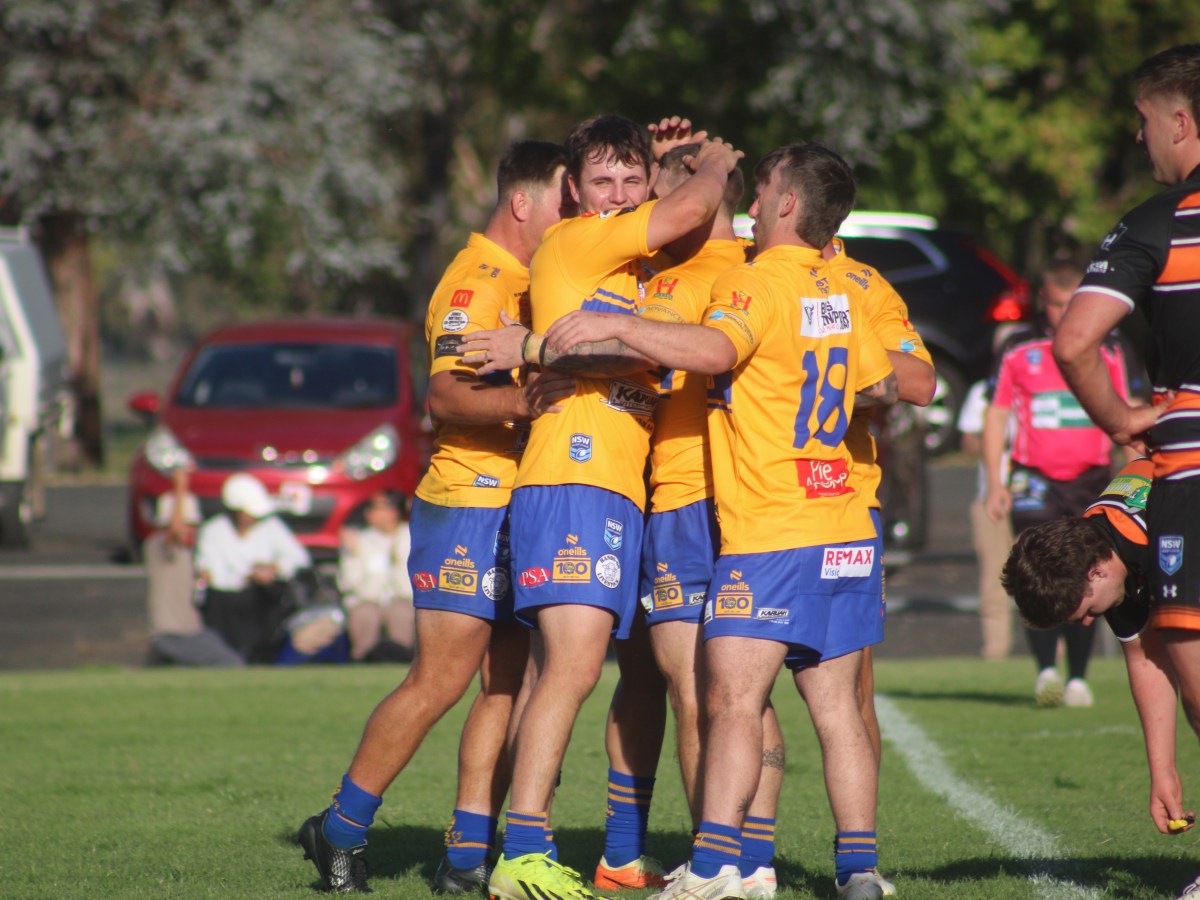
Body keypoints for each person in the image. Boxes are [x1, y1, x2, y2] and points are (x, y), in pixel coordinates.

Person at [538, 142, 897, 900]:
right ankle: (860, 872)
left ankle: (711, 872)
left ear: (789, 205)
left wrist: (625, 327)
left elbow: (709, 347)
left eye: (762, 191)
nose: (752, 203)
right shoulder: (837, 288)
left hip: (768, 525)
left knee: (730, 702)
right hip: (842, 516)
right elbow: (887, 384)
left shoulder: (753, 282)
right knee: (836, 710)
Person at [465, 117, 740, 900]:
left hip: (621, 485)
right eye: (602, 182)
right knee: (570, 669)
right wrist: (713, 166)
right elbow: (690, 213)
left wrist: (540, 345)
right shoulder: (582, 243)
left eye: (631, 180)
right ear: (574, 193)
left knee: (610, 674)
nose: (617, 195)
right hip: (573, 477)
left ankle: (610, 854)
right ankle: (520, 852)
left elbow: (622, 337)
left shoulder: (629, 261)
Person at [296, 140, 577, 895]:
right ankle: (341, 830)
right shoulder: (474, 281)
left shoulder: (532, 279)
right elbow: (445, 397)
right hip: (467, 504)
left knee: (506, 687)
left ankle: (464, 857)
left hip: (525, 503)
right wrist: (534, 401)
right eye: (565, 199)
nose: (574, 212)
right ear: (523, 203)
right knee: (439, 680)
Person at [1051, 45, 1200, 898]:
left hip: (1190, 466)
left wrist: (1118, 421)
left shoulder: (1159, 222)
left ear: (1180, 121)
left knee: (1190, 653)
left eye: (1145, 123)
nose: (1141, 141)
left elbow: (1074, 341)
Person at [1001, 458, 1197, 841]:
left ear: (1097, 572)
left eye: (1088, 610)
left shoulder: (1163, 541)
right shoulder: (1099, 543)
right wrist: (1163, 771)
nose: (1090, 622)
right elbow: (1144, 655)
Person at [983, 259, 1134, 707]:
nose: (1061, 313)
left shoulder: (1110, 347)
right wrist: (996, 480)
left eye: (1071, 304)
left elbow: (1128, 411)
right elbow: (997, 412)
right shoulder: (1017, 348)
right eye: (1054, 304)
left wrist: (1138, 473)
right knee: (1037, 570)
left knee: (1085, 571)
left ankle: (1079, 677)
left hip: (1091, 480)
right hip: (1034, 479)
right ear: (1042, 302)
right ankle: (1046, 669)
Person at [193, 472, 331, 664]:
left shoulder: (271, 526)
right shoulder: (213, 532)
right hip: (227, 606)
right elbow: (216, 575)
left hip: (264, 602)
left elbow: (298, 558)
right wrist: (249, 576)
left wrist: (275, 567)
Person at [144, 467, 243, 668]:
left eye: (193, 525)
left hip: (190, 629)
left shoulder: (187, 553)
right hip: (174, 633)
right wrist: (181, 485)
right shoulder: (160, 546)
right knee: (230, 664)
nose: (190, 530)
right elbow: (174, 531)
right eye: (186, 524)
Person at [957, 376, 1016, 661]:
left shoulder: (1047, 384)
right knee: (994, 582)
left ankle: (1055, 658)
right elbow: (968, 443)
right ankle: (996, 653)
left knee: (1048, 576)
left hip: (1039, 494)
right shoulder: (983, 391)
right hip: (991, 498)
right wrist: (994, 432)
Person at [337, 490, 415, 662]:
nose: (369, 513)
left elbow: (409, 586)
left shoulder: (411, 538)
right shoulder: (360, 540)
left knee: (400, 611)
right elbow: (348, 584)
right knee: (366, 612)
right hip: (367, 599)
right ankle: (363, 660)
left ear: (393, 512)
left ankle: (401, 659)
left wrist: (395, 560)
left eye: (376, 508)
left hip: (403, 600)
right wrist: (353, 555)